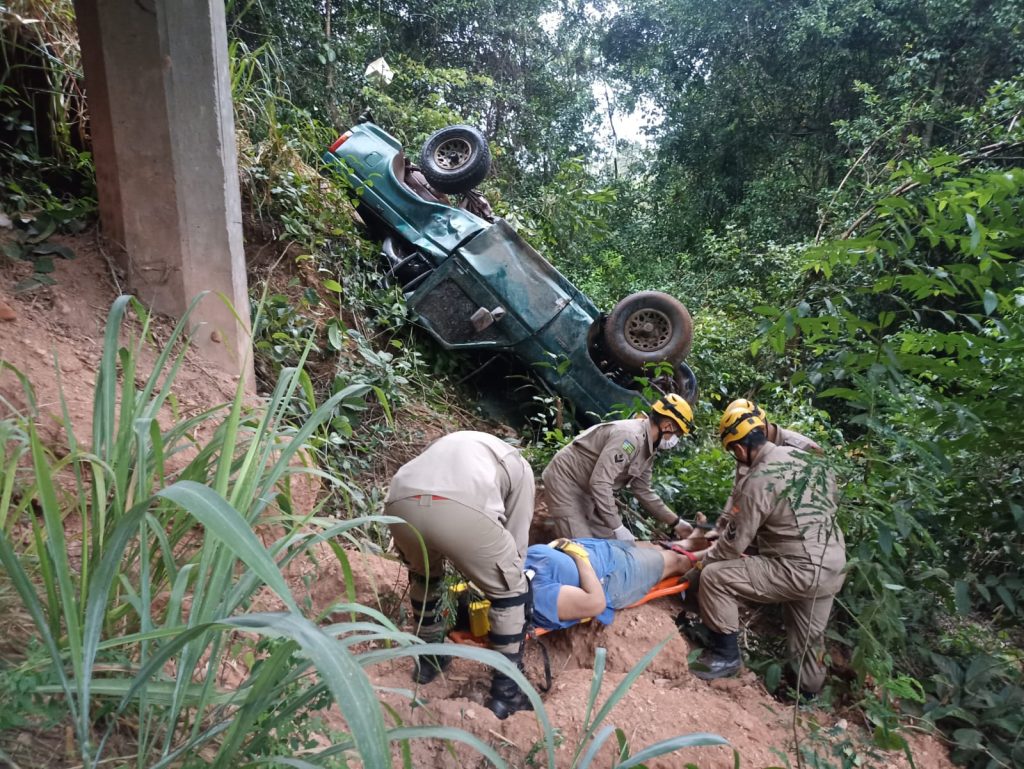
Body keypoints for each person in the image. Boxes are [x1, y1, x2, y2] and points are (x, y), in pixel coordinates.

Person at [688, 405, 846, 698]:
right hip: (832, 565)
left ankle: (725, 656)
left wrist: (699, 566)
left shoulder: (759, 478)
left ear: (738, 448)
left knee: (715, 577)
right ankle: (807, 696)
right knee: (808, 640)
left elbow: (733, 546)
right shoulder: (805, 457)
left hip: (797, 568)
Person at [385, 430, 535, 719]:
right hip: (459, 507)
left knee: (424, 575)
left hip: (399, 501)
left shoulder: (452, 444)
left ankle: (429, 659)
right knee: (511, 590)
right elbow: (515, 550)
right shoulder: (521, 467)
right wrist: (511, 591)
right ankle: (507, 693)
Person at [541, 394, 696, 541]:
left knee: (612, 543)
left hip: (587, 491)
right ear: (667, 426)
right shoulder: (629, 437)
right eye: (678, 434)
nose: (675, 440)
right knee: (585, 549)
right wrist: (618, 527)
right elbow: (600, 483)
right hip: (565, 482)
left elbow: (643, 490)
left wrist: (676, 522)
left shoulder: (648, 448)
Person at [711, 398, 824, 545]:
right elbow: (738, 491)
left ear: (762, 426)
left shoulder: (802, 447)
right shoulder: (747, 448)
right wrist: (722, 525)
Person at [525, 538, 697, 631]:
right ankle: (711, 555)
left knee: (652, 546)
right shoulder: (533, 595)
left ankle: (697, 539)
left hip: (599, 550)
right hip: (612, 576)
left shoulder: (507, 566)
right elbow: (595, 603)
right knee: (675, 561)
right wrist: (578, 556)